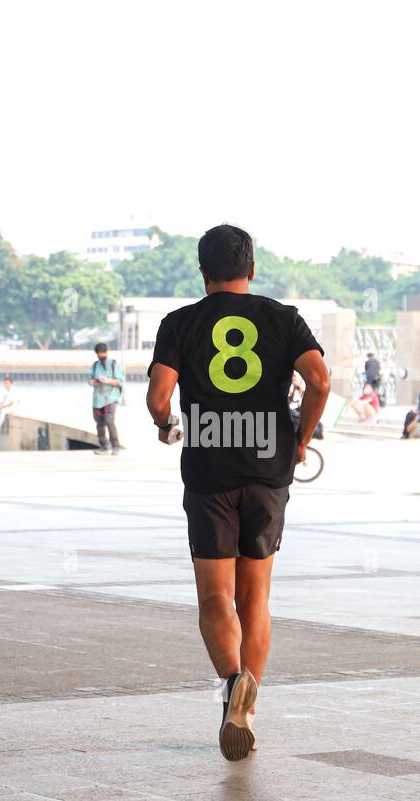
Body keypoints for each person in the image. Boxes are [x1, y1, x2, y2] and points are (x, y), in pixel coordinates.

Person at [147, 223, 329, 762]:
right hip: (269, 470)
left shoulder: (179, 323)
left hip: (208, 471)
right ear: (251, 269)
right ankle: (246, 710)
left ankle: (232, 686)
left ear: (203, 273)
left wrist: (166, 423)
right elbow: (320, 381)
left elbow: (160, 399)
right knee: (256, 599)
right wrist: (301, 438)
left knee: (214, 598)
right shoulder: (282, 318)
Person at [90, 342, 124, 455]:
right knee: (99, 424)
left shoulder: (114, 364)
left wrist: (107, 380)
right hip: (97, 400)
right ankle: (104, 447)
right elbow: (90, 380)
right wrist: (95, 382)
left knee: (109, 421)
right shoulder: (95, 365)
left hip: (111, 398)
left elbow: (120, 382)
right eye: (99, 354)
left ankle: (116, 446)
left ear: (106, 352)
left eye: (102, 353)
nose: (101, 355)